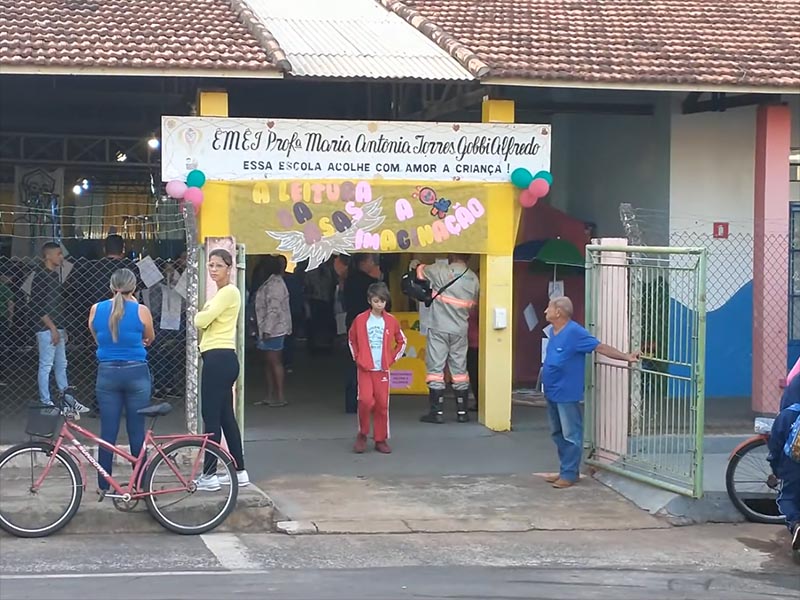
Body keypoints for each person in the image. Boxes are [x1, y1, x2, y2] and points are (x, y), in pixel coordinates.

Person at [541, 296, 639, 489]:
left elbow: (600, 347)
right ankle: (565, 470)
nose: (545, 311)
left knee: (570, 434)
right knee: (557, 433)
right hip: (552, 391)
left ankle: (569, 474)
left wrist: (625, 357)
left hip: (566, 392)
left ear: (558, 312)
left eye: (549, 308)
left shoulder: (575, 332)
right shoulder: (553, 331)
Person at [88, 269, 155, 492]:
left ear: (110, 286)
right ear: (134, 288)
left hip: (107, 373)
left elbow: (97, 338)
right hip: (136, 373)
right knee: (137, 431)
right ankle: (140, 484)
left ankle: (103, 485)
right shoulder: (141, 310)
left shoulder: (96, 309)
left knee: (108, 431)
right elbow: (150, 338)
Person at [194, 248, 249, 490]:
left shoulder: (228, 292)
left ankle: (209, 475)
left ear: (229, 267)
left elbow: (200, 320)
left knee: (211, 418)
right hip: (223, 359)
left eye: (218, 265)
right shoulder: (222, 294)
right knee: (226, 418)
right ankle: (240, 471)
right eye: (211, 265)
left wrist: (203, 314)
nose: (213, 270)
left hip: (218, 359)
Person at [415, 254, 479, 424]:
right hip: (460, 330)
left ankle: (436, 412)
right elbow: (474, 303)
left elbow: (420, 272)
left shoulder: (441, 270)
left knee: (436, 369)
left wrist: (416, 263)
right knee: (459, 370)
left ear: (452, 255)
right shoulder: (473, 278)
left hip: (439, 327)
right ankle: (462, 412)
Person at [347, 283, 406, 454]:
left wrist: (391, 359)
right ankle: (363, 434)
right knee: (365, 401)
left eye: (383, 301)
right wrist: (357, 358)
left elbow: (402, 341)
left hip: (382, 370)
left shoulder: (391, 321)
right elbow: (352, 339)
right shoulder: (360, 320)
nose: (380, 304)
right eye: (376, 301)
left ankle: (380, 439)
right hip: (365, 368)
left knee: (382, 404)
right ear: (369, 301)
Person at [31, 242, 88, 412]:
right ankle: (46, 400)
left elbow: (55, 305)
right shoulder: (41, 276)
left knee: (61, 364)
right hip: (46, 328)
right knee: (46, 365)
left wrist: (61, 328)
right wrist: (53, 328)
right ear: (48, 256)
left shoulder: (54, 276)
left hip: (57, 326)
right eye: (58, 253)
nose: (61, 257)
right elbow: (38, 306)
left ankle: (66, 398)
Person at [343, 253, 384, 414]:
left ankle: (351, 402)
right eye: (371, 261)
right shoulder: (371, 284)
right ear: (364, 262)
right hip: (369, 326)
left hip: (352, 323)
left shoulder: (349, 281)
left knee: (353, 363)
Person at [254, 255, 292, 407]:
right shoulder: (271, 282)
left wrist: (267, 329)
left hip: (274, 329)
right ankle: (270, 395)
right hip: (269, 328)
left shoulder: (274, 284)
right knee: (268, 362)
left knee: (275, 361)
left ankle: (280, 396)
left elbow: (274, 308)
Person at [767, 400, 800, 551]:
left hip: (793, 464)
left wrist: (776, 470)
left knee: (787, 498)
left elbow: (775, 445)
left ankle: (796, 524)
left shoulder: (790, 413)